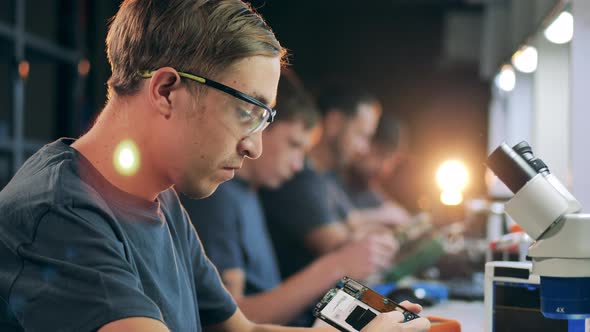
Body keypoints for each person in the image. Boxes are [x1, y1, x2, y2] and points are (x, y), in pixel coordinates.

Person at [0, 0, 429, 331]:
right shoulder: (58, 215)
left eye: (266, 119)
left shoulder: (160, 198)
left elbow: (242, 328)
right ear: (167, 90)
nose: (256, 147)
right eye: (248, 112)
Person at [182, 71, 397, 326]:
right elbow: (231, 320)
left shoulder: (251, 191)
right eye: (293, 145)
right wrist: (337, 265)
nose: (298, 165)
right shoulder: (217, 198)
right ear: (262, 128)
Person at [260, 87, 410, 280]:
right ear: (334, 123)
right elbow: (340, 245)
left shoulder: (328, 178)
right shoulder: (299, 178)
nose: (364, 149)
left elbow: (350, 222)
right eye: (361, 135)